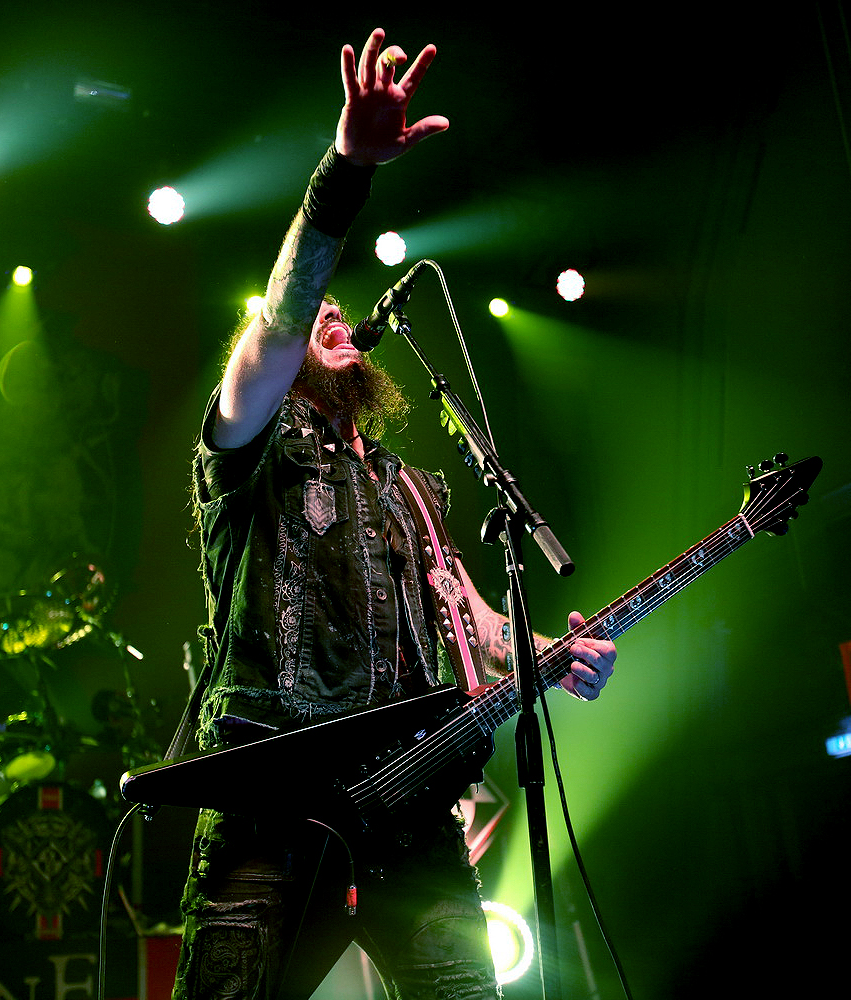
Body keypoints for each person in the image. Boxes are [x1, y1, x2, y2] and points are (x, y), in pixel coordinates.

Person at [173, 28, 617, 999]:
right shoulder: (250, 443)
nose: (333, 315)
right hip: (271, 807)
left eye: (341, 312)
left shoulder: (409, 484)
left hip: (412, 813)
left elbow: (469, 620)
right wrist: (346, 170)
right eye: (316, 317)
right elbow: (279, 322)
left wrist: (551, 651)